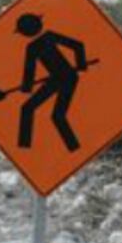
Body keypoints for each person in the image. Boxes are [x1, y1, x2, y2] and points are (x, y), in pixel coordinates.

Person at [15, 13, 87, 152]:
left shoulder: (34, 46)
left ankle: (74, 149)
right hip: (61, 78)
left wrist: (26, 88)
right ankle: (25, 149)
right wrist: (81, 64)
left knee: (53, 115)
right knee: (33, 110)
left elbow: (29, 73)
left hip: (66, 78)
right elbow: (78, 46)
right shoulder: (46, 38)